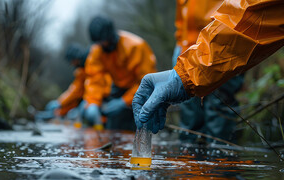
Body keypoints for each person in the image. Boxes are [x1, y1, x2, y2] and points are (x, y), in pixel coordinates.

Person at [133, 0, 284, 134]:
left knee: (219, 113)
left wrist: (188, 70)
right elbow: (182, 23)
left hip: (223, 51)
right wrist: (180, 49)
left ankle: (222, 161)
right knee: (190, 120)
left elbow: (252, 12)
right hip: (190, 56)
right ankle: (190, 162)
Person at [173, 0, 244, 143]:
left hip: (225, 46)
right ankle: (189, 159)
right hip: (188, 51)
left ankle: (221, 158)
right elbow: (181, 21)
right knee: (189, 108)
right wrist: (180, 46)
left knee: (219, 106)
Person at [84, 16, 157, 131]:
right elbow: (94, 79)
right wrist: (93, 103)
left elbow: (148, 82)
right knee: (113, 127)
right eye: (99, 42)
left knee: (138, 127)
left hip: (139, 91)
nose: (102, 45)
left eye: (103, 41)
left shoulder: (136, 46)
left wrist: (124, 101)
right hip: (118, 89)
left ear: (110, 35)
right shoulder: (97, 50)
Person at [36, 43, 111, 126]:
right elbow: (75, 91)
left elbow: (98, 86)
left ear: (75, 58)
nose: (72, 64)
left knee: (92, 114)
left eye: (71, 61)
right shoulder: (81, 71)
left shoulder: (94, 63)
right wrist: (60, 103)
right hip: (92, 99)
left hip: (104, 99)